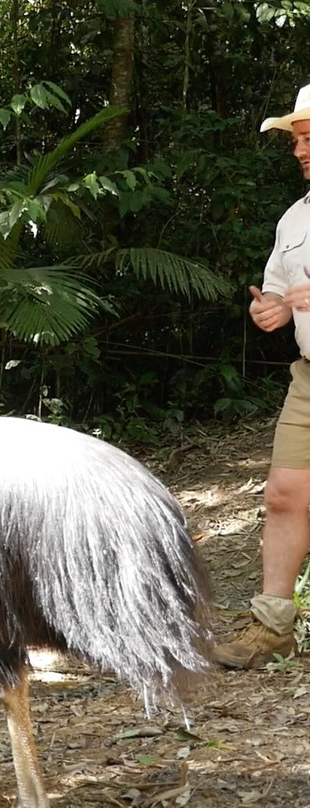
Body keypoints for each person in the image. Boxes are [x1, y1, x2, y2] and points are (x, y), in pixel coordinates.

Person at [213, 84, 310, 669]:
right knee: (283, 494)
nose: (300, 150)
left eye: (308, 138)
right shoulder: (295, 217)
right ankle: (274, 626)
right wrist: (269, 308)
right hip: (308, 378)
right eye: (297, 140)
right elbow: (277, 287)